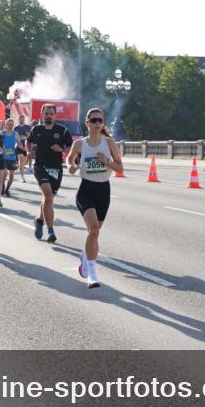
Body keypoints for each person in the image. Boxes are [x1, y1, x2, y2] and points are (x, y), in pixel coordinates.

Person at [67, 108, 123, 289]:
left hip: (103, 190)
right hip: (86, 190)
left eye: (100, 120)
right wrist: (72, 166)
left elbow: (120, 168)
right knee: (93, 230)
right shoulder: (80, 144)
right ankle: (92, 274)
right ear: (87, 123)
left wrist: (107, 161)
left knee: (95, 233)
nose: (97, 123)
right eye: (94, 120)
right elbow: (70, 159)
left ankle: (85, 256)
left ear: (103, 123)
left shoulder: (109, 143)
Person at [27, 104, 73, 242]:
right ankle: (51, 231)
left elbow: (71, 148)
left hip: (56, 168)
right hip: (40, 166)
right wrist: (28, 151)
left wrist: (61, 150)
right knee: (48, 196)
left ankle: (40, 220)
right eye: (46, 113)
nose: (48, 115)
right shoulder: (37, 129)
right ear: (41, 114)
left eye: (51, 113)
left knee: (48, 199)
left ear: (55, 115)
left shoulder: (62, 130)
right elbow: (27, 142)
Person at [0, 118, 22, 198]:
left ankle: (7, 190)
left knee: (11, 176)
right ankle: (2, 187)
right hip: (3, 157)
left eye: (12, 124)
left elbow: (19, 143)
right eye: (9, 124)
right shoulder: (2, 133)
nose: (11, 126)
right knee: (4, 174)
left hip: (12, 157)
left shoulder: (15, 133)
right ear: (6, 124)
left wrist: (22, 148)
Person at [14, 114, 31, 182]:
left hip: (26, 146)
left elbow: (30, 136)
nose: (22, 120)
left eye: (23, 119)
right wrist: (20, 145)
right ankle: (22, 177)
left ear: (24, 120)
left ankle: (20, 167)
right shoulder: (16, 128)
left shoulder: (28, 127)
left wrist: (27, 134)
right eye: (20, 119)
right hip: (18, 146)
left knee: (24, 162)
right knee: (21, 161)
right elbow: (15, 138)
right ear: (18, 120)